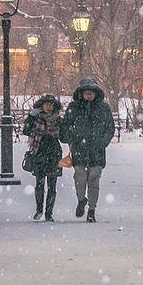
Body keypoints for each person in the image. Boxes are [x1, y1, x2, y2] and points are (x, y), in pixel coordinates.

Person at [60, 77, 115, 223]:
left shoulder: (103, 108)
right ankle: (81, 199)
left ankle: (92, 209)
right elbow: (65, 125)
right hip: (79, 149)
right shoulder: (74, 107)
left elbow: (109, 127)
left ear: (96, 93)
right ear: (81, 93)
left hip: (96, 151)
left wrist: (102, 143)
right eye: (86, 92)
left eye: (91, 92)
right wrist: (70, 137)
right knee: (80, 178)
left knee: (94, 181)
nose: (89, 95)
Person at [23, 94, 63, 221]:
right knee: (39, 183)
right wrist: (30, 118)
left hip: (54, 153)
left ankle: (49, 213)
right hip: (39, 152)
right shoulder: (36, 118)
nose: (48, 106)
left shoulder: (58, 119)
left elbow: (64, 135)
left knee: (52, 185)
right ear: (42, 105)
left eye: (51, 104)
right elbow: (26, 131)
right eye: (46, 104)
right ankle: (39, 210)